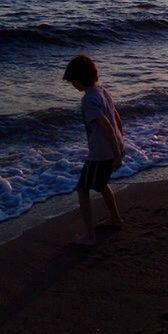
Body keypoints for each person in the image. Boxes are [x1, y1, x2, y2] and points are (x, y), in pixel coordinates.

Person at [63, 54, 125, 245]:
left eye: (73, 82)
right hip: (112, 147)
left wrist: (115, 154)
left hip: (100, 153)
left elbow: (105, 124)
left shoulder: (88, 100)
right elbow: (116, 117)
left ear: (79, 80)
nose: (74, 86)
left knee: (82, 189)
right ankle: (115, 218)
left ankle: (89, 236)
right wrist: (121, 141)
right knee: (101, 183)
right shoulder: (103, 92)